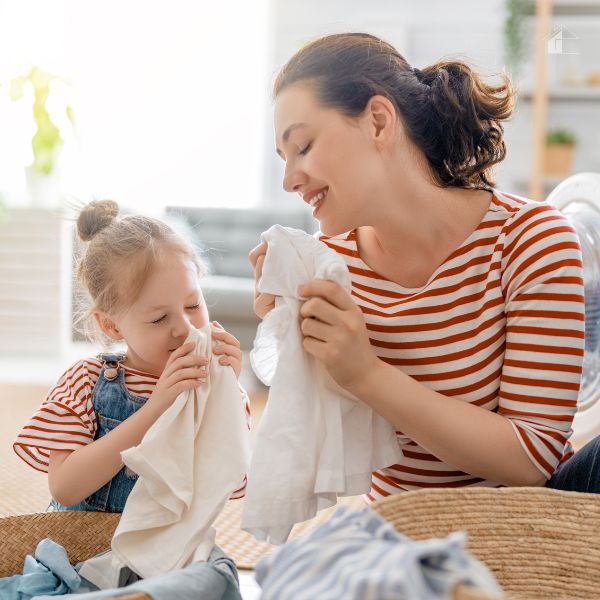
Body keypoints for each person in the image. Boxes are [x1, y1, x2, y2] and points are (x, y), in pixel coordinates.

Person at [250, 32, 599, 498]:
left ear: (377, 121)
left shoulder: (531, 238)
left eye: (304, 146)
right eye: (283, 158)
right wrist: (287, 334)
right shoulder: (330, 265)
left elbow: (531, 458)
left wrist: (367, 374)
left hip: (527, 525)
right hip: (403, 534)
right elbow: (321, 443)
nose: (291, 180)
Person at [14, 199, 249, 512]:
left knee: (214, 564)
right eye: (158, 319)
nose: (184, 327)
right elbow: (65, 488)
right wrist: (155, 409)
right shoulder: (85, 381)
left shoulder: (208, 384)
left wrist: (225, 393)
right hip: (81, 545)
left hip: (167, 552)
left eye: (193, 305)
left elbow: (230, 483)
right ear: (111, 324)